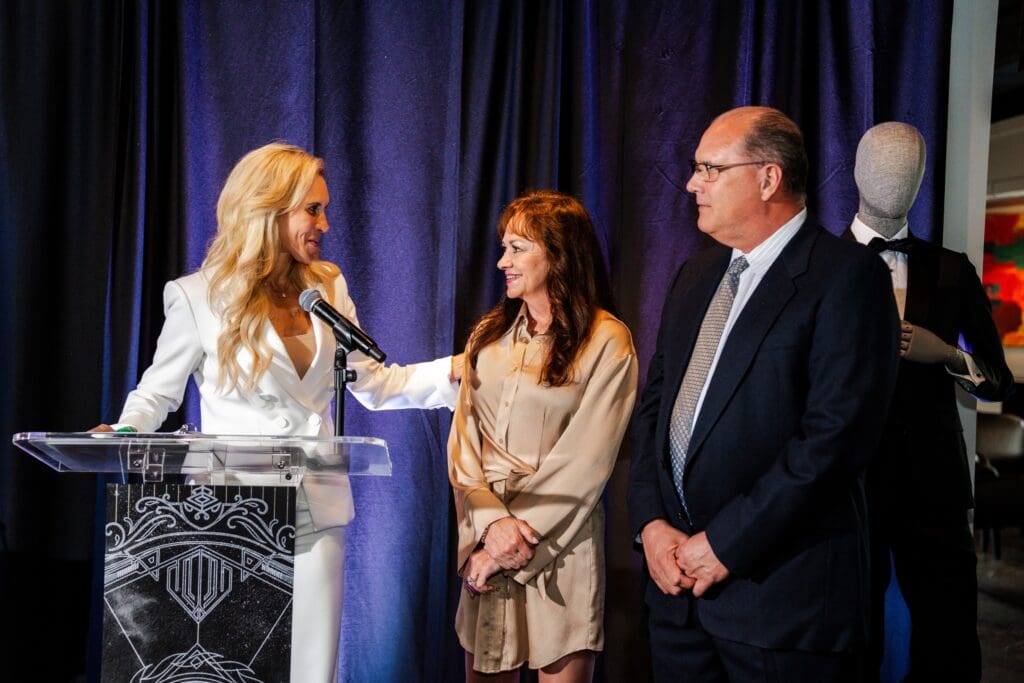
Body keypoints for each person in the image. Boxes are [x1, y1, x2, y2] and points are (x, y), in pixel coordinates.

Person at [91, 142, 461, 683]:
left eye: (324, 209)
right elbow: (156, 394)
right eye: (312, 209)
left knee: (312, 672)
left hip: (317, 514)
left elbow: (377, 383)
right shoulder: (198, 297)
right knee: (239, 670)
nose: (325, 223)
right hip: (236, 518)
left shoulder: (327, 287)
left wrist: (459, 370)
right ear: (269, 209)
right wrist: (123, 432)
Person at [627, 106, 900, 681]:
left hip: (781, 609)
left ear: (768, 177)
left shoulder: (848, 276)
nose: (691, 183)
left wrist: (724, 544)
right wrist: (650, 524)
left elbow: (834, 442)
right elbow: (654, 413)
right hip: (678, 604)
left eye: (709, 168)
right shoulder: (694, 276)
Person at [448, 190, 638, 682]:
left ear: (559, 253)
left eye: (517, 248)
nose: (501, 261)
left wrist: (510, 540)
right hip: (486, 536)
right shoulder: (486, 336)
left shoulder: (607, 340)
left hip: (560, 543)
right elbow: (464, 446)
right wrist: (489, 529)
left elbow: (587, 460)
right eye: (503, 247)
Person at [848, 122, 1013, 682]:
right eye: (881, 165)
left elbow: (997, 381)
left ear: (921, 181)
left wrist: (946, 354)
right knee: (848, 636)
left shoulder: (951, 269)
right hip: (848, 483)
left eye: (907, 169)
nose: (893, 181)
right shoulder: (820, 264)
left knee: (948, 640)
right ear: (855, 172)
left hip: (934, 486)